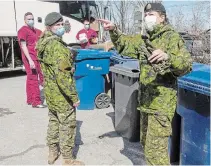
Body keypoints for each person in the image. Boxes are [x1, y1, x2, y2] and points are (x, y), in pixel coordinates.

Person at [98, 2, 192, 165]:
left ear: (162, 18)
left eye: (151, 15)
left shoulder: (172, 37)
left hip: (160, 105)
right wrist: (114, 30)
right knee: (147, 147)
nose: (147, 18)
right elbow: (124, 45)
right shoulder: (145, 38)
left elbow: (186, 65)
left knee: (156, 153)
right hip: (145, 103)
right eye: (146, 15)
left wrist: (168, 57)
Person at [36, 12, 84, 165]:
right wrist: (74, 97)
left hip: (50, 93)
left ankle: (52, 152)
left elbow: (51, 69)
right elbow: (63, 77)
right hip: (61, 95)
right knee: (67, 125)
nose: (61, 27)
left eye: (62, 24)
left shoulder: (43, 42)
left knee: (53, 122)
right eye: (58, 25)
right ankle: (68, 159)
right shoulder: (57, 46)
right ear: (50, 27)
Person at [17, 12, 45, 108]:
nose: (31, 20)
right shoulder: (22, 31)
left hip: (37, 57)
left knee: (30, 78)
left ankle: (30, 99)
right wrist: (30, 60)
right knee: (33, 78)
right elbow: (23, 46)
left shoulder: (37, 31)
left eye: (32, 18)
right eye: (29, 19)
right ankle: (36, 102)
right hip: (29, 57)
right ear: (25, 20)